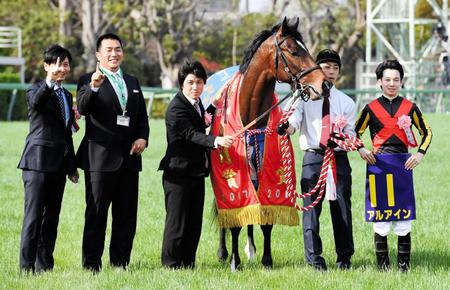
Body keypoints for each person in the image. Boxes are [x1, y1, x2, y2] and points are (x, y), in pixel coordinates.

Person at [76, 33, 149, 272]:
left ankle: (120, 263)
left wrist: (142, 137)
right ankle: (91, 265)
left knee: (126, 216)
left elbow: (141, 118)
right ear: (98, 54)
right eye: (108, 50)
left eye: (117, 49)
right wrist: (94, 87)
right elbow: (84, 108)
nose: (113, 53)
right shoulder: (87, 79)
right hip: (99, 159)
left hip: (129, 159)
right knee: (96, 215)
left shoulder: (132, 81)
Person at [278, 49, 356, 271]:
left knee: (342, 209)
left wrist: (340, 140)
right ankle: (314, 259)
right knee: (311, 212)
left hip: (338, 159)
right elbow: (293, 120)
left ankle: (345, 258)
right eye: (326, 67)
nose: (331, 72)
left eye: (335, 68)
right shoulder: (303, 97)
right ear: (317, 69)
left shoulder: (347, 102)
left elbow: (351, 134)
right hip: (313, 157)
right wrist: (287, 127)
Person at [355, 59, 432, 271]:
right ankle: (383, 267)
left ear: (401, 82)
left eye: (396, 80)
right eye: (387, 79)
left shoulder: (410, 107)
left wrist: (420, 154)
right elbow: (354, 133)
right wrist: (362, 149)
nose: (392, 83)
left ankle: (404, 267)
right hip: (378, 167)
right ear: (379, 82)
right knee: (380, 218)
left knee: (403, 217)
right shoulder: (370, 108)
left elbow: (427, 132)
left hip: (403, 167)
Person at [159, 60, 234, 269]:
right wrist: (217, 141)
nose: (195, 87)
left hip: (196, 172)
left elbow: (201, 120)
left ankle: (188, 263)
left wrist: (214, 103)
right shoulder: (176, 108)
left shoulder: (197, 104)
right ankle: (171, 264)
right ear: (182, 83)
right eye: (191, 82)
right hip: (178, 174)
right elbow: (192, 134)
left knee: (193, 222)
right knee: (177, 223)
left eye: (199, 82)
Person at [18, 44, 79, 273]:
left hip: (59, 165)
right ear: (46, 66)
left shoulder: (66, 95)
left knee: (51, 218)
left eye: (65, 64)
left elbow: (66, 132)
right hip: (37, 163)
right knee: (33, 218)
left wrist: (71, 166)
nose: (62, 69)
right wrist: (49, 82)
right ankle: (26, 267)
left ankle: (44, 266)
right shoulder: (35, 90)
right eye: (57, 64)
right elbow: (37, 104)